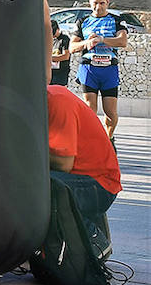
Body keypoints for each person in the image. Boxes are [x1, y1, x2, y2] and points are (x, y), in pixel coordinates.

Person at [47, 84, 121, 218]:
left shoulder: (57, 100)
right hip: (80, 177)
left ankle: (87, 234)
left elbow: (63, 164)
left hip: (99, 184)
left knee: (32, 186)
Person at [71, 0, 129, 143]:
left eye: (102, 3)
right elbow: (72, 47)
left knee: (110, 112)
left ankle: (108, 139)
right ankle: (91, 141)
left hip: (109, 69)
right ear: (90, 2)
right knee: (90, 109)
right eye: (95, 3)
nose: (98, 7)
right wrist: (87, 42)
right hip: (89, 68)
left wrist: (102, 39)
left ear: (107, 2)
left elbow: (122, 41)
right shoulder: (82, 21)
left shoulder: (116, 20)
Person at [50, 18, 72, 87]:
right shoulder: (51, 40)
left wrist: (50, 58)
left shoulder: (64, 39)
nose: (53, 36)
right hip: (52, 72)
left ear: (58, 29)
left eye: (54, 33)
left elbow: (66, 56)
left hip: (61, 73)